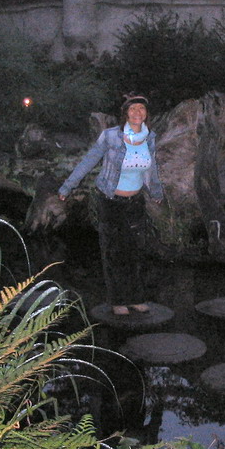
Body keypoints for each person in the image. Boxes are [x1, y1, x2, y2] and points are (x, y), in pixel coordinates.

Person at [58, 94, 164, 316]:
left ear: (146, 114)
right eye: (133, 109)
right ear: (125, 113)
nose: (138, 113)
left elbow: (151, 168)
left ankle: (135, 298)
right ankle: (117, 300)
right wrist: (68, 186)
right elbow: (89, 160)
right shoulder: (110, 137)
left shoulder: (149, 138)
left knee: (134, 250)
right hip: (110, 200)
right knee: (113, 251)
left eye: (141, 109)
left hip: (135, 201)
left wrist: (155, 191)